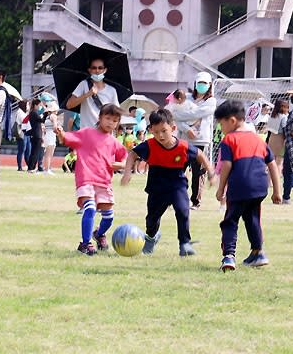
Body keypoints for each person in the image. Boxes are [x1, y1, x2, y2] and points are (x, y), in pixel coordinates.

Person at [121, 109, 215, 257]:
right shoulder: (149, 145)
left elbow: (200, 155)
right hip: (156, 188)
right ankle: (151, 237)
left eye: (164, 131)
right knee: (152, 219)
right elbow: (133, 154)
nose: (160, 135)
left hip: (177, 186)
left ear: (173, 128)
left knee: (183, 211)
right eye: (156, 132)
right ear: (151, 130)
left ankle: (184, 243)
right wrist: (127, 173)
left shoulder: (183, 147)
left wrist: (210, 173)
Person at [213, 100, 281, 272]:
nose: (221, 128)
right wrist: (277, 191)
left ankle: (229, 256)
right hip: (259, 188)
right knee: (253, 219)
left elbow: (226, 165)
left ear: (232, 121)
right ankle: (258, 253)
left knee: (230, 221)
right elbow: (272, 164)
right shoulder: (258, 140)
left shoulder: (229, 140)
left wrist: (221, 189)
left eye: (222, 124)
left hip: (239, 187)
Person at [56, 104, 127, 255]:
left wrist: (120, 165)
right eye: (107, 118)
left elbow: (124, 159)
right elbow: (66, 139)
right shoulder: (87, 133)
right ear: (99, 118)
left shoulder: (114, 142)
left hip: (104, 182)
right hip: (86, 179)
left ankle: (99, 234)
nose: (110, 123)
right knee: (90, 208)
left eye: (114, 121)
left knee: (109, 217)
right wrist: (60, 133)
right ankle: (85, 244)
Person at [173, 71, 217, 210]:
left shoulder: (211, 101)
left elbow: (197, 113)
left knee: (198, 172)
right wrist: (187, 129)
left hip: (201, 141)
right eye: (200, 83)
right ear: (195, 84)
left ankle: (195, 201)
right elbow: (175, 115)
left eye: (205, 83)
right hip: (184, 140)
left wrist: (181, 115)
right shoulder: (186, 99)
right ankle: (175, 198)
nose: (202, 85)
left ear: (209, 85)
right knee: (178, 169)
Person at [65, 58, 119, 129]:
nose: (97, 71)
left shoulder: (112, 90)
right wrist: (87, 94)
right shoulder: (83, 85)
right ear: (89, 70)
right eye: (94, 68)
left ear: (105, 70)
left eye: (100, 68)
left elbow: (117, 113)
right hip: (87, 132)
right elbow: (69, 105)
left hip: (104, 133)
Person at [266, 99, 289, 173]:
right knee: (279, 162)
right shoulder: (283, 117)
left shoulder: (272, 116)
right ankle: (276, 182)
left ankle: (269, 181)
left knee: (271, 162)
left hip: (271, 139)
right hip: (280, 140)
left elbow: (269, 130)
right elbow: (285, 129)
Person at [27, 99, 44, 173]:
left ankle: (31, 167)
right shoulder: (34, 113)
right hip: (37, 134)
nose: (40, 107)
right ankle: (31, 168)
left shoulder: (33, 113)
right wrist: (46, 113)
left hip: (35, 134)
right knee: (35, 153)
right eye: (39, 105)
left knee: (34, 152)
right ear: (35, 105)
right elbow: (42, 120)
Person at [43, 101, 59, 175]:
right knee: (50, 154)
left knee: (47, 154)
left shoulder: (47, 117)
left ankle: (46, 169)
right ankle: (47, 169)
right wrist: (58, 132)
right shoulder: (54, 116)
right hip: (51, 135)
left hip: (47, 135)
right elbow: (55, 127)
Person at [14, 100, 30, 171]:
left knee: (28, 150)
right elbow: (24, 121)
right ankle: (19, 167)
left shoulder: (24, 112)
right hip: (22, 133)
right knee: (22, 150)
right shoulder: (20, 112)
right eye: (27, 105)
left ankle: (29, 165)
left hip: (27, 132)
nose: (28, 106)